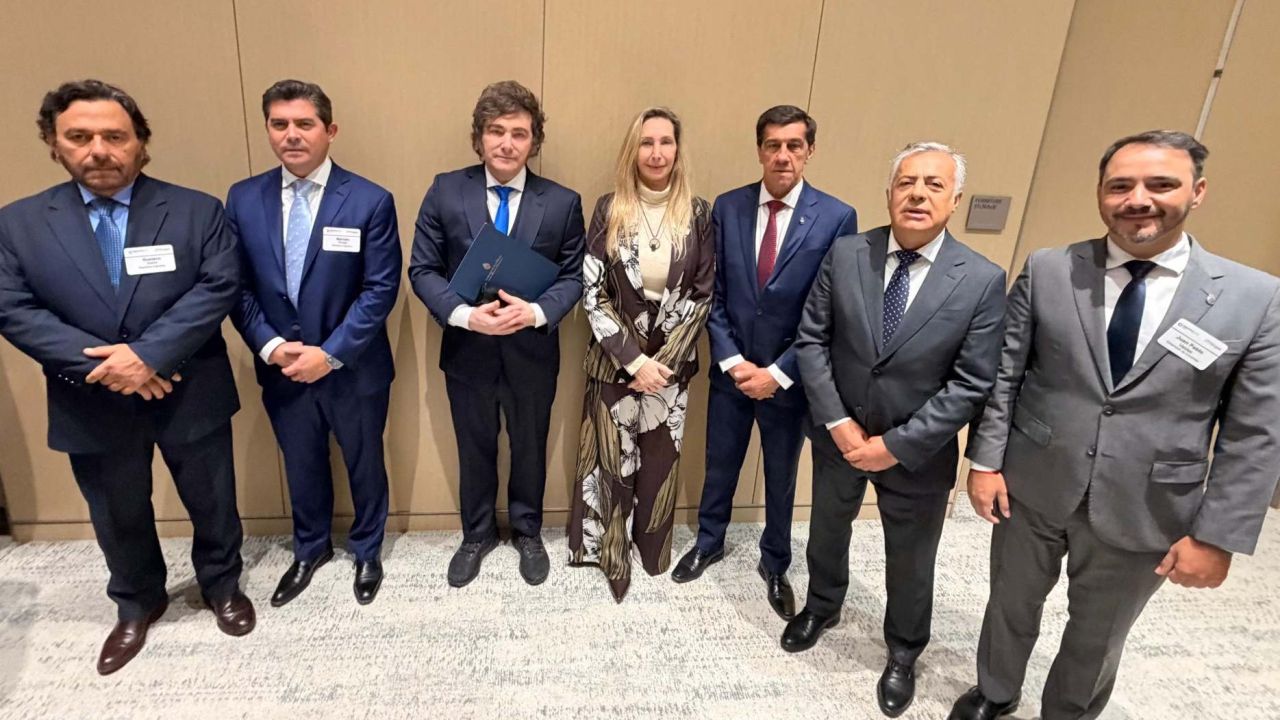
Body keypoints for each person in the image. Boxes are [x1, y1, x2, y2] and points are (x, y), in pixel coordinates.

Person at [949, 130, 1280, 720]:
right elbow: (1007, 373)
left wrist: (1216, 536)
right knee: (1009, 603)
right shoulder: (1050, 269)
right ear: (1101, 192)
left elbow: (1255, 433)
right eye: (1120, 185)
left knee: (1098, 633)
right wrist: (986, 461)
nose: (1138, 199)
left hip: (1148, 502)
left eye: (1161, 184)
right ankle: (994, 691)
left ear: (1198, 191)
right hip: (1034, 482)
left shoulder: (1255, 298)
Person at [0, 80, 252, 674]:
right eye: (80, 137)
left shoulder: (196, 211)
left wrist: (149, 356)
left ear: (140, 142)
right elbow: (12, 308)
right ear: (54, 144)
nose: (99, 150)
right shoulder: (18, 224)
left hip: (188, 386)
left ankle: (221, 585)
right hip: (90, 396)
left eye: (115, 136)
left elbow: (218, 286)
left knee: (213, 498)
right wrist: (113, 368)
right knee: (116, 510)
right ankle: (138, 602)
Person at [789, 142, 1005, 716]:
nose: (917, 194)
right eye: (907, 182)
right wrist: (839, 423)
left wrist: (895, 445)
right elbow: (812, 340)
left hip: (919, 452)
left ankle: (904, 649)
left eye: (934, 185)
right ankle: (822, 605)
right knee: (826, 530)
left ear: (955, 200)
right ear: (889, 192)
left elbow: (971, 383)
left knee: (911, 558)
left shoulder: (981, 279)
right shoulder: (846, 253)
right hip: (839, 436)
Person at [671, 105, 857, 621]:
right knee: (720, 464)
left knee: (781, 475)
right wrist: (732, 362)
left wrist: (777, 373)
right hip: (731, 372)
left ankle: (775, 562)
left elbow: (828, 309)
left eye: (794, 145)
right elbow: (713, 294)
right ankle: (709, 541)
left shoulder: (837, 217)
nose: (782, 155)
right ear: (759, 150)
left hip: (788, 379)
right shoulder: (727, 207)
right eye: (773, 145)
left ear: (809, 151)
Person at [226, 80, 401, 607]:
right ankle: (310, 548)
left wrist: (329, 354)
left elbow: (379, 290)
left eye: (304, 124)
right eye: (279, 124)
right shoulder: (243, 198)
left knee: (364, 462)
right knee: (300, 463)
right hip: (282, 366)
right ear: (267, 130)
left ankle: (367, 549)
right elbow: (236, 287)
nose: (292, 135)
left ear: (330, 130)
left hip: (353, 366)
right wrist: (271, 346)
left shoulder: (370, 200)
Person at [408, 80, 585, 588]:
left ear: (534, 141)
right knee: (474, 447)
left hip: (533, 350)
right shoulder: (446, 190)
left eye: (519, 133)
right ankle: (477, 534)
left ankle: (527, 531)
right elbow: (422, 269)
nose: (507, 143)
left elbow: (574, 275)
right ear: (479, 137)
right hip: (468, 350)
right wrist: (466, 316)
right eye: (496, 131)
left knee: (530, 446)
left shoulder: (562, 202)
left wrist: (536, 312)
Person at [566, 107, 714, 602]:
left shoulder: (698, 213)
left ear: (677, 149)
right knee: (609, 465)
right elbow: (592, 290)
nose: (656, 152)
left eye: (666, 142)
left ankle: (651, 552)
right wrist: (633, 360)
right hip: (615, 361)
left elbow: (702, 294)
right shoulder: (609, 209)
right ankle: (610, 555)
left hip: (670, 367)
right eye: (647, 142)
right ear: (634, 150)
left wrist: (661, 365)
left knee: (658, 466)